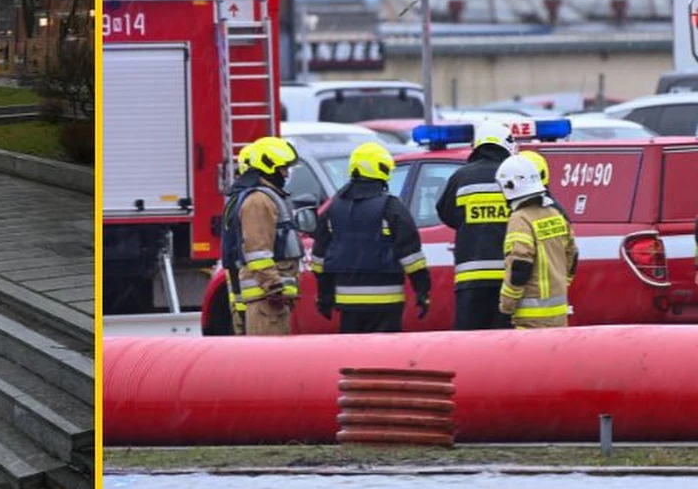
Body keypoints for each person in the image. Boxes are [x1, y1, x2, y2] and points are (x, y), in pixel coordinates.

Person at [311, 142, 431, 333]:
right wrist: (422, 290)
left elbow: (319, 259)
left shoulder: (334, 208)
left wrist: (324, 295)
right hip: (386, 302)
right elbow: (411, 255)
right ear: (381, 169)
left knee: (353, 356)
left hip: (347, 303)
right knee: (384, 358)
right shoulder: (391, 207)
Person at [435, 120, 518, 330]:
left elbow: (446, 213)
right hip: (508, 277)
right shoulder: (515, 176)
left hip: (470, 278)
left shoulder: (461, 177)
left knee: (470, 342)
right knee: (505, 342)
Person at [220, 136, 302, 336]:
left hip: (269, 299)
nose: (286, 174)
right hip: (266, 299)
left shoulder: (265, 197)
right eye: (283, 168)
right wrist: (274, 287)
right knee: (268, 361)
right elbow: (257, 252)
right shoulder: (259, 201)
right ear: (270, 167)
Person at [496, 155, 577, 328]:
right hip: (559, 315)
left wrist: (506, 305)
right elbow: (573, 256)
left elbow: (520, 266)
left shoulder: (520, 219)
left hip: (530, 319)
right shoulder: (555, 214)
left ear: (509, 186)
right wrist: (561, 284)